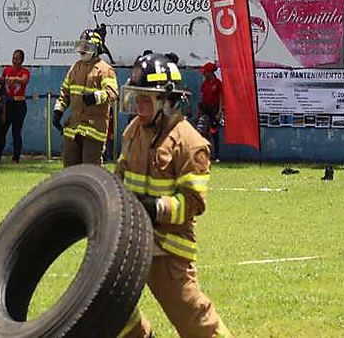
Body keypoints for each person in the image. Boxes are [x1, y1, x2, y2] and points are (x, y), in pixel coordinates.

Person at [114, 53, 231, 338]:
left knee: (193, 319)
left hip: (168, 245)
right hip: (132, 237)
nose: (138, 107)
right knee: (110, 306)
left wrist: (154, 208)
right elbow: (119, 178)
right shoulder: (133, 132)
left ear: (166, 101)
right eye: (136, 98)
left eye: (145, 100)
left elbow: (194, 203)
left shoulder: (190, 143)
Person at [52, 29, 118, 167]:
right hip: (73, 129)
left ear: (96, 49)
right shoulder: (75, 67)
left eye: (86, 47)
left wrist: (96, 97)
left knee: (90, 172)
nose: (82, 50)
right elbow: (65, 92)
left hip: (93, 130)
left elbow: (112, 92)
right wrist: (58, 111)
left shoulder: (105, 70)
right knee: (70, 171)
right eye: (81, 46)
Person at [1, 49, 30, 164]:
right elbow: (2, 84)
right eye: (13, 58)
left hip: (19, 105)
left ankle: (16, 157)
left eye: (17, 58)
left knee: (16, 132)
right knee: (2, 130)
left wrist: (12, 79)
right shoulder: (6, 70)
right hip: (8, 104)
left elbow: (24, 80)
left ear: (22, 60)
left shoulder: (25, 72)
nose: (14, 61)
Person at [196, 61, 223, 161]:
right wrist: (199, 112)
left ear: (210, 72)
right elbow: (202, 98)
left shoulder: (218, 83)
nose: (204, 74)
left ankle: (217, 156)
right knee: (203, 132)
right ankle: (204, 155)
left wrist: (219, 112)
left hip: (214, 108)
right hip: (205, 108)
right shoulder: (205, 83)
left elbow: (221, 98)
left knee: (214, 132)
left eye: (205, 72)